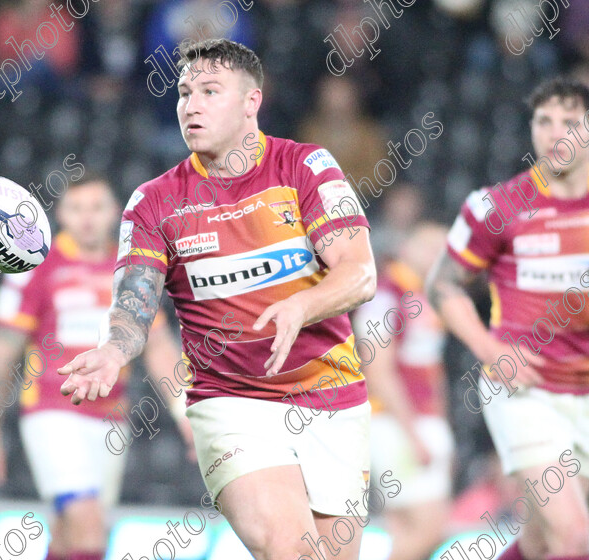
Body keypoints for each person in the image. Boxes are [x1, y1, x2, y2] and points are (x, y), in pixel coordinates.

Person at [59, 39, 377, 560]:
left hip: (331, 396)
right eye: (184, 93)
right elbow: (133, 303)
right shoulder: (155, 202)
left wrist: (301, 306)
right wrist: (114, 350)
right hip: (231, 402)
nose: (191, 105)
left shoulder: (304, 168)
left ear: (252, 101)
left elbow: (360, 273)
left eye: (210, 91)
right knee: (292, 549)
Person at [0, 175, 189, 560]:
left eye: (97, 208)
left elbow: (157, 346)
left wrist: (183, 411)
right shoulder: (34, 265)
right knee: (88, 530)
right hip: (54, 411)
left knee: (73, 536)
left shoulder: (133, 270)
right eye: (77, 208)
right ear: (60, 214)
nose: (87, 219)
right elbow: (2, 357)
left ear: (115, 212)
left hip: (112, 417)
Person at [426, 77, 589, 560]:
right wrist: (490, 350)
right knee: (577, 539)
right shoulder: (498, 205)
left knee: (541, 542)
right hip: (525, 391)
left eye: (570, 122)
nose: (555, 132)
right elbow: (442, 284)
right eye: (544, 121)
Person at [353, 222, 453, 560]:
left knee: (407, 531)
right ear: (405, 247)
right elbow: (377, 368)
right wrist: (413, 433)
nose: (437, 255)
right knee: (429, 529)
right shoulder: (385, 294)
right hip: (396, 424)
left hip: (415, 422)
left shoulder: (424, 295)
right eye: (428, 245)